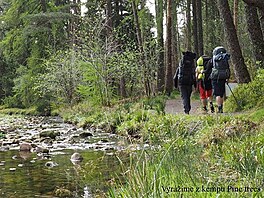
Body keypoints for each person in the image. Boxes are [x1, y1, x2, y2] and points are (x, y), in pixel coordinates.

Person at [203, 46, 230, 113]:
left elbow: (208, 70)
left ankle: (219, 108)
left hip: (215, 77)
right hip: (223, 76)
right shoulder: (224, 58)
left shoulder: (213, 59)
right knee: (221, 93)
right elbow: (228, 68)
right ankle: (221, 107)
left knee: (217, 94)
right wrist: (227, 77)